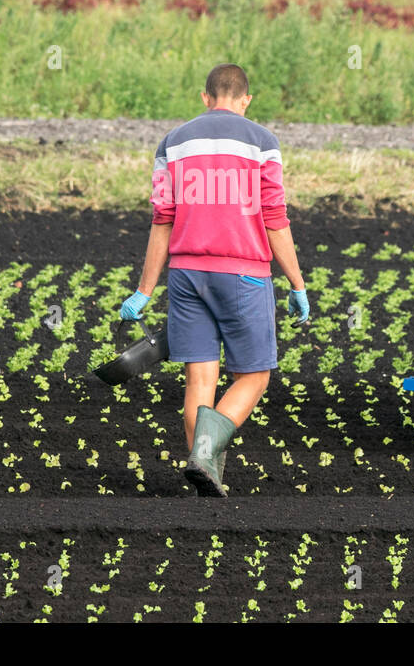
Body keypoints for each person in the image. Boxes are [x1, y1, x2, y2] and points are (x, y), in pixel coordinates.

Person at [121, 64, 309, 496]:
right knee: (255, 375)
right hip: (244, 274)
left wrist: (143, 291)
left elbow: (162, 219)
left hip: (187, 276)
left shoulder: (174, 142)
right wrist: (297, 283)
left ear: (205, 97)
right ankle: (205, 459)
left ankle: (206, 476)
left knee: (200, 380)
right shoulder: (263, 142)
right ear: (245, 100)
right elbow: (275, 219)